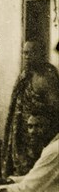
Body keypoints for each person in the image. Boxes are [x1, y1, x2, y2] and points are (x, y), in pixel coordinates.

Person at [3, 41, 59, 177]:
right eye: (24, 53)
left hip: (38, 136)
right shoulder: (25, 75)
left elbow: (55, 108)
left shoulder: (47, 77)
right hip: (21, 134)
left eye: (31, 53)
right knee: (19, 173)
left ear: (41, 54)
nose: (26, 56)